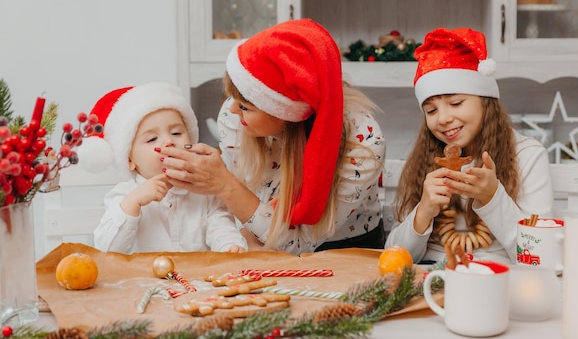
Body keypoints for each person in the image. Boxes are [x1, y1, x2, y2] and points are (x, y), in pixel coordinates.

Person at [158, 19, 386, 255]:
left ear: (285, 114)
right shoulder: (234, 115)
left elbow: (299, 245)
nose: (233, 110)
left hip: (346, 250)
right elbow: (246, 214)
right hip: (262, 233)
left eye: (246, 106)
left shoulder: (362, 144)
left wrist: (224, 185)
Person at [385, 27, 553, 264]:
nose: (442, 118)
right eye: (431, 110)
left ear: (485, 102)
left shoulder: (527, 155)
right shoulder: (426, 160)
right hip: (428, 276)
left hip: (498, 276)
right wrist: (423, 211)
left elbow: (539, 256)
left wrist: (493, 197)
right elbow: (393, 255)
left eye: (456, 103)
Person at [77, 82, 248, 254]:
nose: (169, 142)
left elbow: (222, 228)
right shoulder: (123, 196)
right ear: (129, 159)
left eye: (176, 133)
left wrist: (230, 247)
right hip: (143, 280)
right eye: (152, 139)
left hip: (194, 279)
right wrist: (133, 203)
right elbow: (108, 250)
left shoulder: (204, 192)